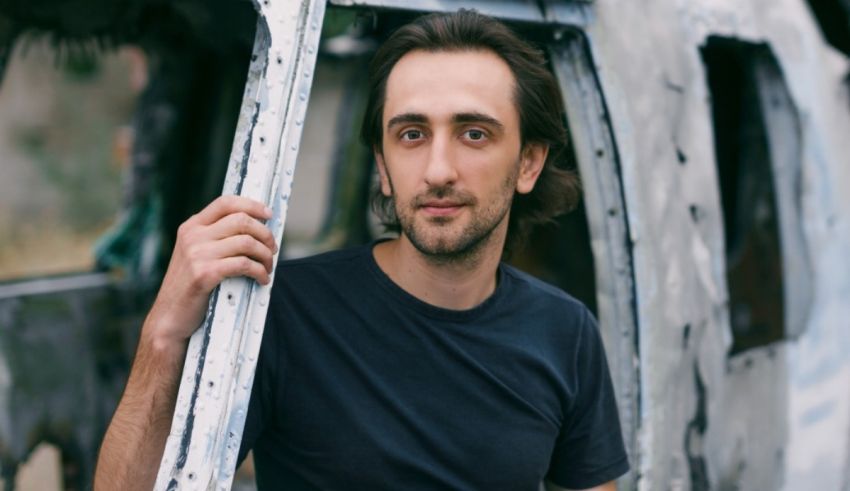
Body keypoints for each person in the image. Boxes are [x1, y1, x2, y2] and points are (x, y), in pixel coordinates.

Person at [95, 10, 629, 491]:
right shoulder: (283, 311)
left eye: (473, 134)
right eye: (412, 134)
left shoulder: (565, 332)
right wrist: (162, 333)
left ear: (529, 164)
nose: (439, 171)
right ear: (383, 164)